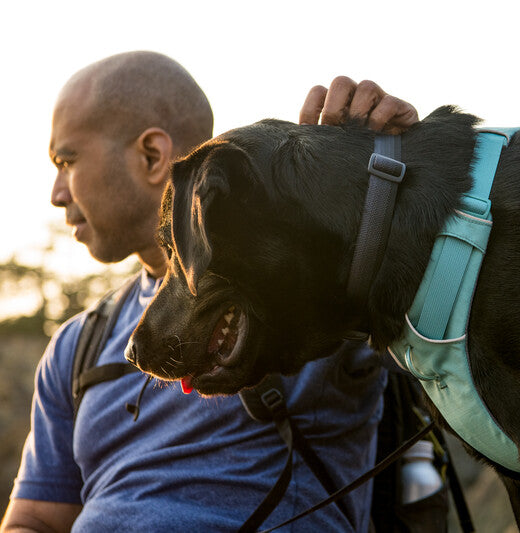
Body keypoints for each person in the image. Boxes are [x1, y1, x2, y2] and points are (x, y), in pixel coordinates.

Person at [1, 51, 419, 532]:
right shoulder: (76, 347)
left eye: (66, 161)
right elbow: (33, 520)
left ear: (151, 155)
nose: (56, 193)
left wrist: (393, 166)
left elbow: (446, 317)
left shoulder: (306, 276)